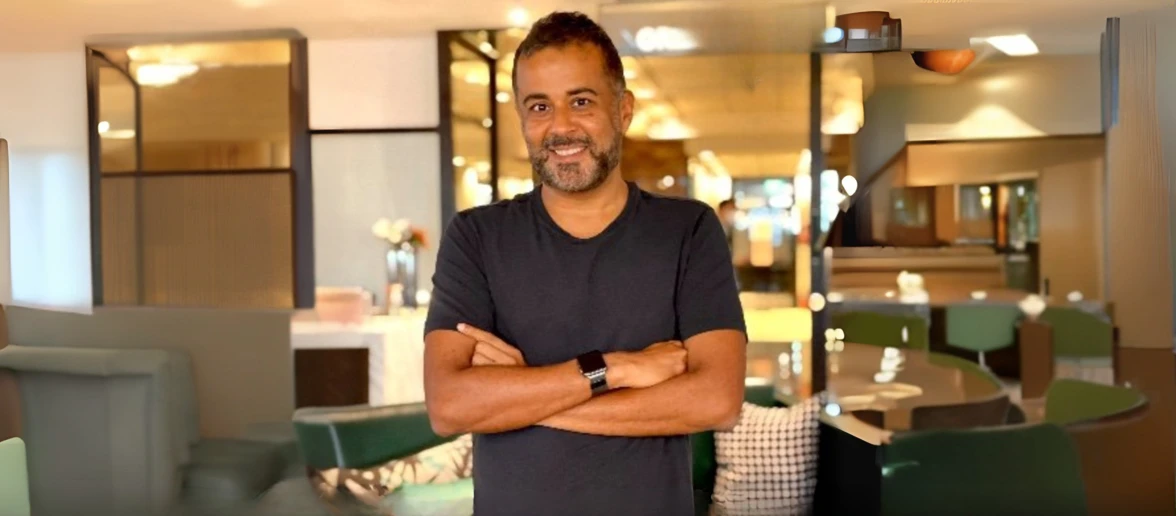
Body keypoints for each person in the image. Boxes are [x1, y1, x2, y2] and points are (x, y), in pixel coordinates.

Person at [422, 11, 747, 516]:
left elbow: (716, 401)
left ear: (624, 110)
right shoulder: (476, 237)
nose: (560, 126)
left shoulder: (687, 231)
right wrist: (615, 369)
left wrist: (522, 395)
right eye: (539, 106)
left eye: (581, 101)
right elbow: (449, 406)